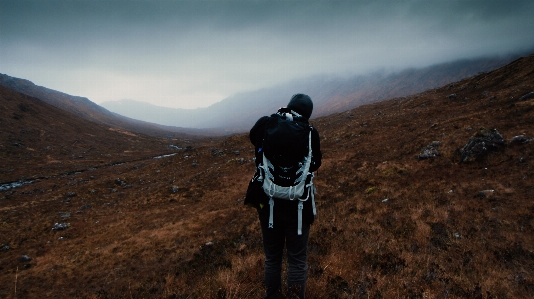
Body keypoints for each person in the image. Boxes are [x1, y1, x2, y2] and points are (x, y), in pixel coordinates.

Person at [249, 94, 322, 299]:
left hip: (268, 203)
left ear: (288, 106)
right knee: (297, 259)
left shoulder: (266, 123)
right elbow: (315, 163)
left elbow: (253, 139)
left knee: (272, 258)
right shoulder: (310, 133)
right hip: (298, 206)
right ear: (308, 113)